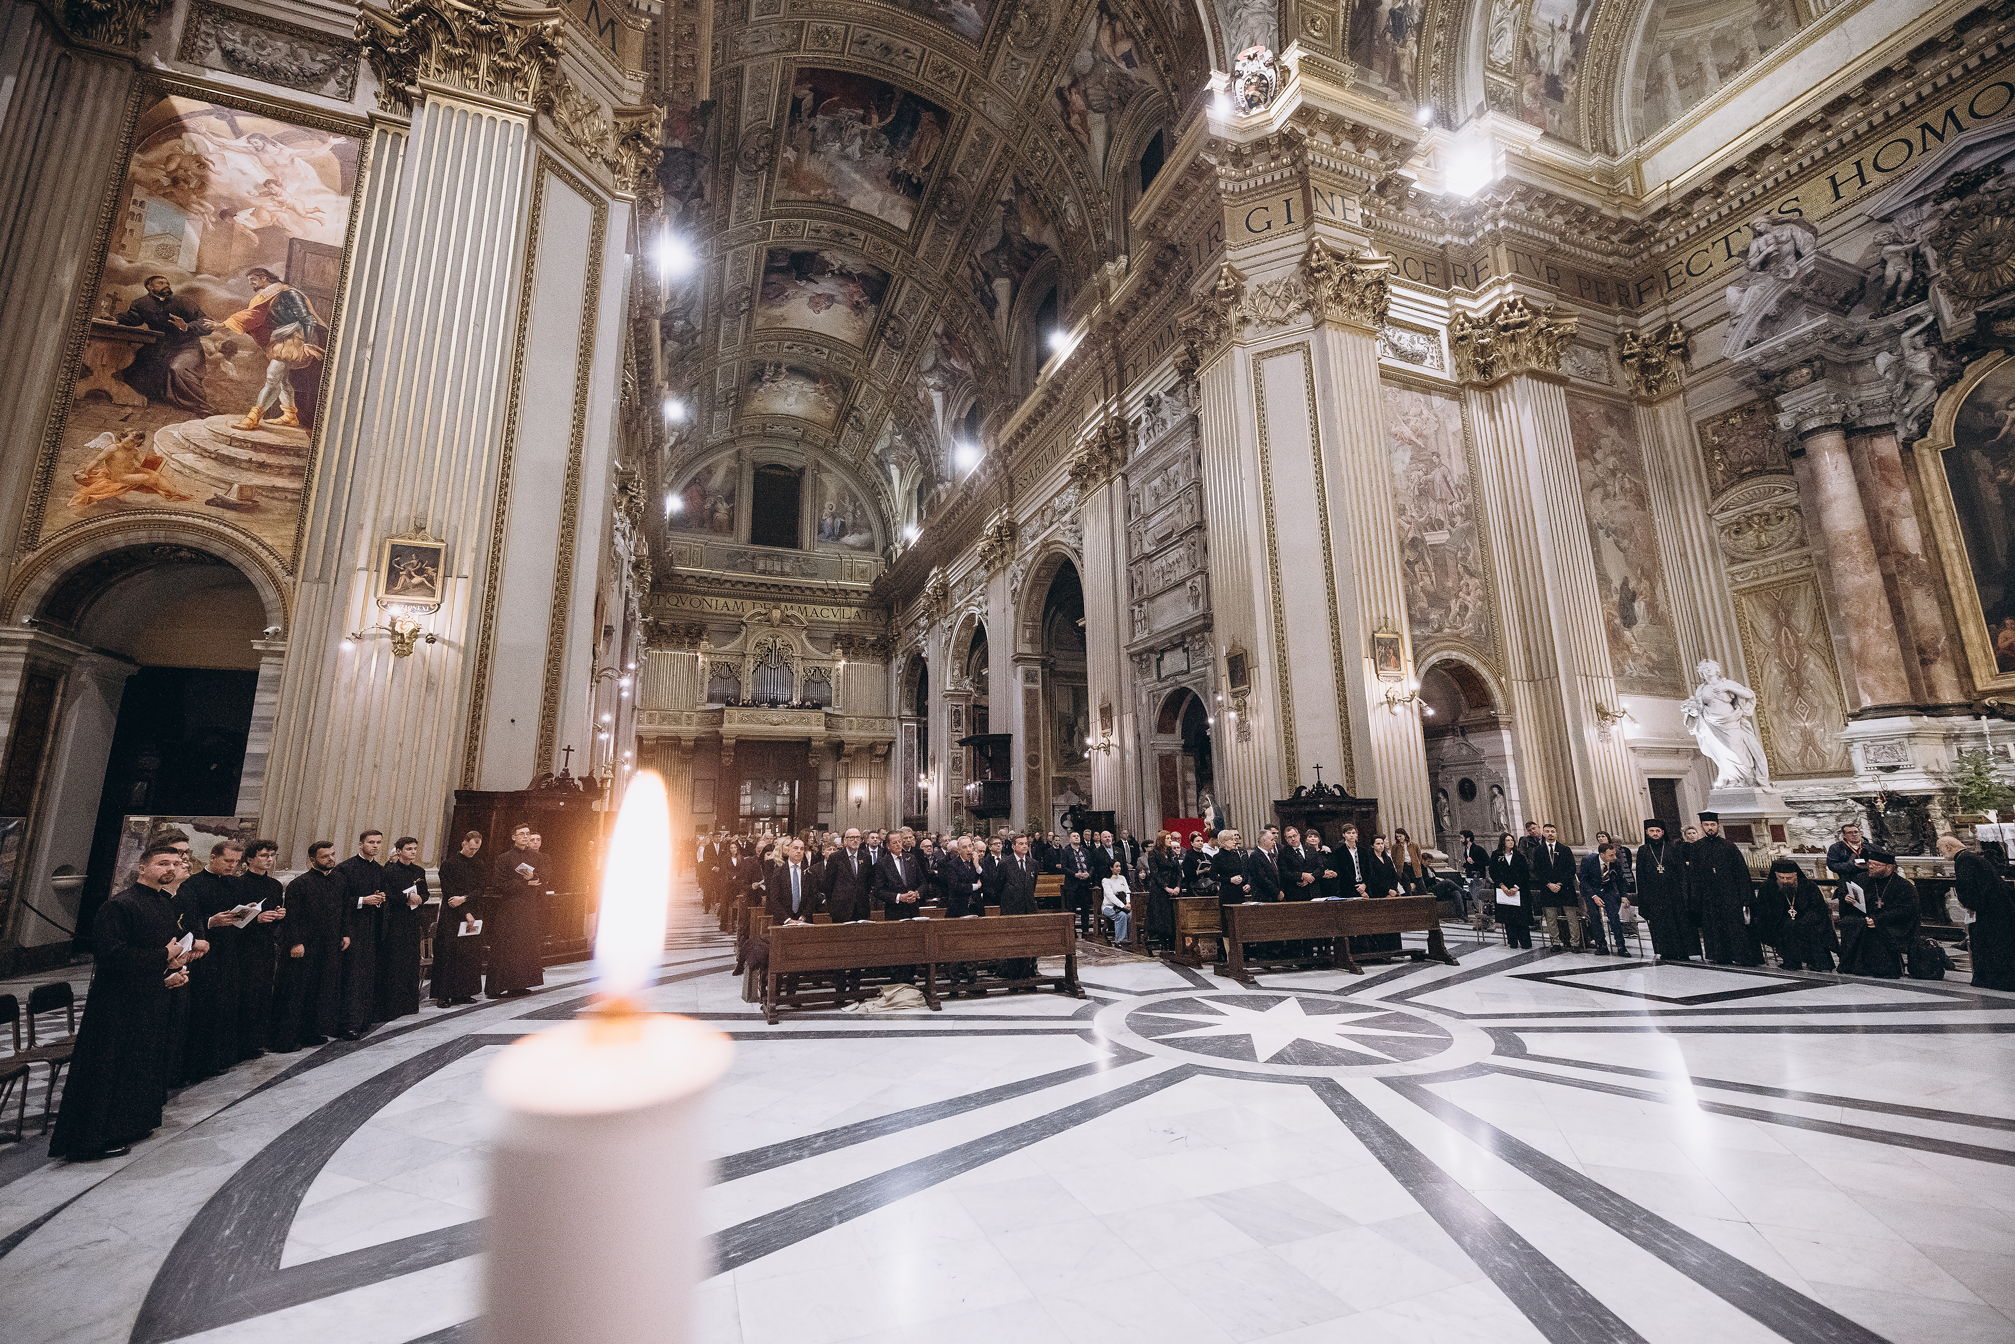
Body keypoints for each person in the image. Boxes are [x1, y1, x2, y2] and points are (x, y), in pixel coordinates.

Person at [49, 844, 192, 1161]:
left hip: (148, 997)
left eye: (174, 863)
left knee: (138, 1065)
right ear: (143, 868)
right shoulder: (120, 906)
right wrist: (164, 956)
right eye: (161, 863)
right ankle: (91, 1141)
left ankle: (130, 1126)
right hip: (116, 1005)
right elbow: (112, 957)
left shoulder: (164, 904)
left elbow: (157, 952)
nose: (169, 869)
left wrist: (170, 970)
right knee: (110, 1069)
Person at [177, 840, 248, 1080]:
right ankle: (197, 1063)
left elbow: (236, 919)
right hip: (203, 955)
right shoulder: (192, 884)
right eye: (228, 861)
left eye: (237, 862)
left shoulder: (236, 883)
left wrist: (246, 912)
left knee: (225, 1006)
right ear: (213, 857)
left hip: (230, 952)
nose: (233, 867)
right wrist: (210, 922)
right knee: (203, 1008)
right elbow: (185, 919)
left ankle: (220, 1058)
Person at [222, 265, 322, 431]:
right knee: (282, 380)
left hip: (296, 338)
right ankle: (290, 415)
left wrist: (308, 344)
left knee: (272, 377)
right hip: (283, 338)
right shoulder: (266, 297)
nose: (251, 284)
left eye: (253, 280)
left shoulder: (288, 293)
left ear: (264, 278)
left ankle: (253, 418)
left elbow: (308, 319)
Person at [270, 841, 346, 1051]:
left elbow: (343, 911)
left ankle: (311, 1032)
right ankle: (286, 1039)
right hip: (303, 947)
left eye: (332, 854)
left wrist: (344, 934)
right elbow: (292, 917)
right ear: (312, 859)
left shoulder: (339, 880)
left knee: (319, 990)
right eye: (325, 857)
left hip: (328, 945)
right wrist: (296, 942)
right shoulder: (299, 884)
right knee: (296, 992)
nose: (331, 859)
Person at [115, 275, 217, 412]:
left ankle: (200, 406)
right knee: (137, 364)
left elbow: (206, 323)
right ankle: (141, 398)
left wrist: (186, 326)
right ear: (150, 287)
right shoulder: (140, 303)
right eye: (161, 283)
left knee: (178, 368)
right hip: (159, 346)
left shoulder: (183, 302)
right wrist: (114, 318)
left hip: (187, 347)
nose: (166, 285)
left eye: (167, 283)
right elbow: (133, 319)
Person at [335, 831, 389, 1038]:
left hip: (371, 930)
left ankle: (363, 1019)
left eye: (378, 843)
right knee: (352, 978)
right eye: (371, 842)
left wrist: (380, 898)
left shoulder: (379, 869)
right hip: (352, 929)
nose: (375, 846)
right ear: (360, 844)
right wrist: (362, 901)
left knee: (366, 977)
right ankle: (347, 1023)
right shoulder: (345, 868)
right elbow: (338, 900)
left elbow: (380, 896)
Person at [1689, 813, 1761, 967]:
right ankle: (1718, 955)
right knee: (1713, 925)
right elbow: (1693, 875)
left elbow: (1741, 872)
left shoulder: (1729, 846)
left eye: (1713, 825)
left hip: (1730, 893)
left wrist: (1745, 896)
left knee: (1734, 925)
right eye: (1707, 825)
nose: (1710, 828)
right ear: (1702, 826)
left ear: (1718, 826)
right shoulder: (1696, 848)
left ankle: (1739, 954)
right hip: (1709, 895)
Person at [1946, 833, 2015, 991]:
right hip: (1995, 910)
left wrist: (1966, 902)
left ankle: (1991, 979)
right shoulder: (1972, 857)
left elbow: (1966, 885)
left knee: (1989, 945)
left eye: (1941, 849)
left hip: (1987, 914)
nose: (1941, 853)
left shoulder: (1964, 859)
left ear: (1949, 847)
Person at [237, 840, 286, 1056]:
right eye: (264, 855)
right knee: (244, 993)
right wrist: (256, 919)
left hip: (266, 944)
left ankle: (257, 1040)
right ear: (249, 858)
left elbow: (275, 915)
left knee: (263, 993)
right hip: (243, 946)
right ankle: (241, 1043)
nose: (269, 859)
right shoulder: (238, 884)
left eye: (272, 855)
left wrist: (279, 915)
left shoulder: (274, 885)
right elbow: (232, 917)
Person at [488, 825, 546, 997]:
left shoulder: (536, 857)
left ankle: (520, 984)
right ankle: (498, 986)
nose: (526, 837)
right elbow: (499, 883)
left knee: (525, 945)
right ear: (513, 837)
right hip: (510, 907)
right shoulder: (504, 858)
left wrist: (534, 877)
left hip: (528, 907)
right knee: (506, 946)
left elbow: (545, 876)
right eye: (522, 834)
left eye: (528, 834)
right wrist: (524, 883)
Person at [1837, 848, 1913, 978]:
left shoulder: (1903, 886)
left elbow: (1904, 911)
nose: (1870, 867)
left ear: (1889, 867)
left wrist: (1878, 920)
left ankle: (1882, 967)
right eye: (1869, 863)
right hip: (1865, 918)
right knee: (1849, 923)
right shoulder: (1861, 878)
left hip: (1890, 923)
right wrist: (1846, 898)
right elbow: (1843, 892)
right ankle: (1853, 965)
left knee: (1874, 930)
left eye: (1875, 865)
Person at [377, 837, 429, 1021]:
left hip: (413, 920)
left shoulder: (419, 871)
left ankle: (409, 1003)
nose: (413, 852)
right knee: (394, 962)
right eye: (409, 849)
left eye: (415, 849)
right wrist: (405, 898)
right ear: (399, 851)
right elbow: (387, 894)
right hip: (395, 920)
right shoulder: (389, 871)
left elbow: (425, 892)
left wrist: (421, 898)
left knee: (410, 961)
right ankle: (393, 1004)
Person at [432, 831, 485, 1005]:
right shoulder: (449, 864)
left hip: (472, 909)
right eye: (471, 848)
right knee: (449, 954)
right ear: (463, 843)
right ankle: (443, 995)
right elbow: (449, 892)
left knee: (468, 954)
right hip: (452, 915)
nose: (473, 852)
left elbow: (481, 889)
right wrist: (465, 912)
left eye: (476, 849)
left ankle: (463, 992)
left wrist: (465, 899)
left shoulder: (479, 864)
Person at [1634, 820, 1698, 962]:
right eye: (1652, 831)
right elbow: (1641, 876)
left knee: (1679, 923)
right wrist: (1644, 899)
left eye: (1658, 831)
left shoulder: (1672, 848)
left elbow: (1681, 872)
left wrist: (1684, 893)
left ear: (1663, 832)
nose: (1655, 834)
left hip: (1674, 894)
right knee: (1660, 925)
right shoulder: (1643, 850)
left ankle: (1683, 951)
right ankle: (1665, 951)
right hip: (1655, 896)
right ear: (1647, 832)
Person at [1765, 859, 1837, 972]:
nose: (1785, 881)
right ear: (1775, 876)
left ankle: (1817, 962)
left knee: (1810, 928)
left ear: (1796, 875)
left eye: (1789, 878)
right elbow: (1765, 911)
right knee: (1787, 927)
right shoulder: (1768, 888)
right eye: (1781, 878)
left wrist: (1803, 921)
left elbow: (1818, 909)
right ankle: (1791, 962)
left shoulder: (1809, 886)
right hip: (1781, 923)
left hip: (1808, 921)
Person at [1528, 823, 1580, 949]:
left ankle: (1575, 943)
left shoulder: (1565, 849)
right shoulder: (1538, 851)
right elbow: (1536, 870)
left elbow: (1571, 869)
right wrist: (1548, 884)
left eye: (1552, 831)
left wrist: (1560, 883)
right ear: (1544, 833)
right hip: (1547, 888)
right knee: (1551, 918)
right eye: (1547, 831)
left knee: (1571, 918)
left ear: (1556, 833)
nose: (1550, 833)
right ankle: (1555, 942)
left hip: (1565, 888)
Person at [1577, 842, 1630, 956]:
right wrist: (1594, 896)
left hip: (1607, 889)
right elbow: (1584, 881)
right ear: (1602, 854)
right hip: (1591, 890)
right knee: (1595, 918)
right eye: (1611, 855)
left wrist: (1623, 896)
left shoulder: (1615, 862)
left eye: (1614, 854)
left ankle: (1621, 946)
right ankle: (1601, 945)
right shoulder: (1589, 861)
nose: (1614, 857)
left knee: (1614, 917)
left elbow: (1621, 880)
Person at [822, 827, 873, 922]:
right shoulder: (835, 858)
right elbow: (828, 884)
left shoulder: (866, 857)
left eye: (858, 838)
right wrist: (832, 906)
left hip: (861, 908)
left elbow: (868, 882)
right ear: (845, 840)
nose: (855, 841)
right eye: (852, 838)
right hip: (841, 909)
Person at [1489, 832, 1531, 948]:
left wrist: (1516, 887)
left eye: (1512, 840)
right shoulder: (1496, 856)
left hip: (1518, 889)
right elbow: (1493, 872)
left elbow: (1525, 873)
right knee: (1508, 916)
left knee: (1521, 917)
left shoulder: (1519, 856)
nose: (1510, 842)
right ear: (1503, 842)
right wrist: (1502, 885)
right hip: (1504, 890)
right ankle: (1512, 940)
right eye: (1508, 840)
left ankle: (1525, 941)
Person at [873, 830, 925, 919]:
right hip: (894, 911)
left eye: (899, 841)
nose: (898, 844)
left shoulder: (911, 858)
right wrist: (899, 897)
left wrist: (916, 893)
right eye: (894, 842)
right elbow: (878, 891)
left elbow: (923, 882)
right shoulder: (882, 863)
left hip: (913, 909)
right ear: (888, 846)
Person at [767, 839, 817, 923]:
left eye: (801, 849)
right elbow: (774, 899)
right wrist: (788, 920)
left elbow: (812, 897)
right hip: (783, 921)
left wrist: (802, 917)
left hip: (804, 921)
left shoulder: (809, 872)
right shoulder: (778, 872)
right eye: (795, 848)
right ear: (789, 850)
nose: (798, 851)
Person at [1060, 832, 1095, 933]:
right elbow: (1064, 867)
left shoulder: (1085, 851)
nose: (1076, 838)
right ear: (1070, 839)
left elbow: (1092, 865)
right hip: (1072, 884)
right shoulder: (1066, 851)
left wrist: (1089, 874)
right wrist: (1075, 874)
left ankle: (1085, 931)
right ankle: (1072, 931)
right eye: (1074, 836)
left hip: (1084, 884)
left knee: (1085, 909)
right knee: (1072, 909)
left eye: (1078, 836)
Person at [1101, 861, 1133, 945]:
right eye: (1116, 866)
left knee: (1131, 915)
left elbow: (1127, 891)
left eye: (1120, 866)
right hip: (1109, 907)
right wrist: (1122, 906)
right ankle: (1120, 940)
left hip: (1124, 905)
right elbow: (1111, 896)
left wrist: (1128, 903)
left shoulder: (1122, 878)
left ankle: (1131, 939)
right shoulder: (1106, 880)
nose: (1119, 868)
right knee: (1121, 915)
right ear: (1111, 868)